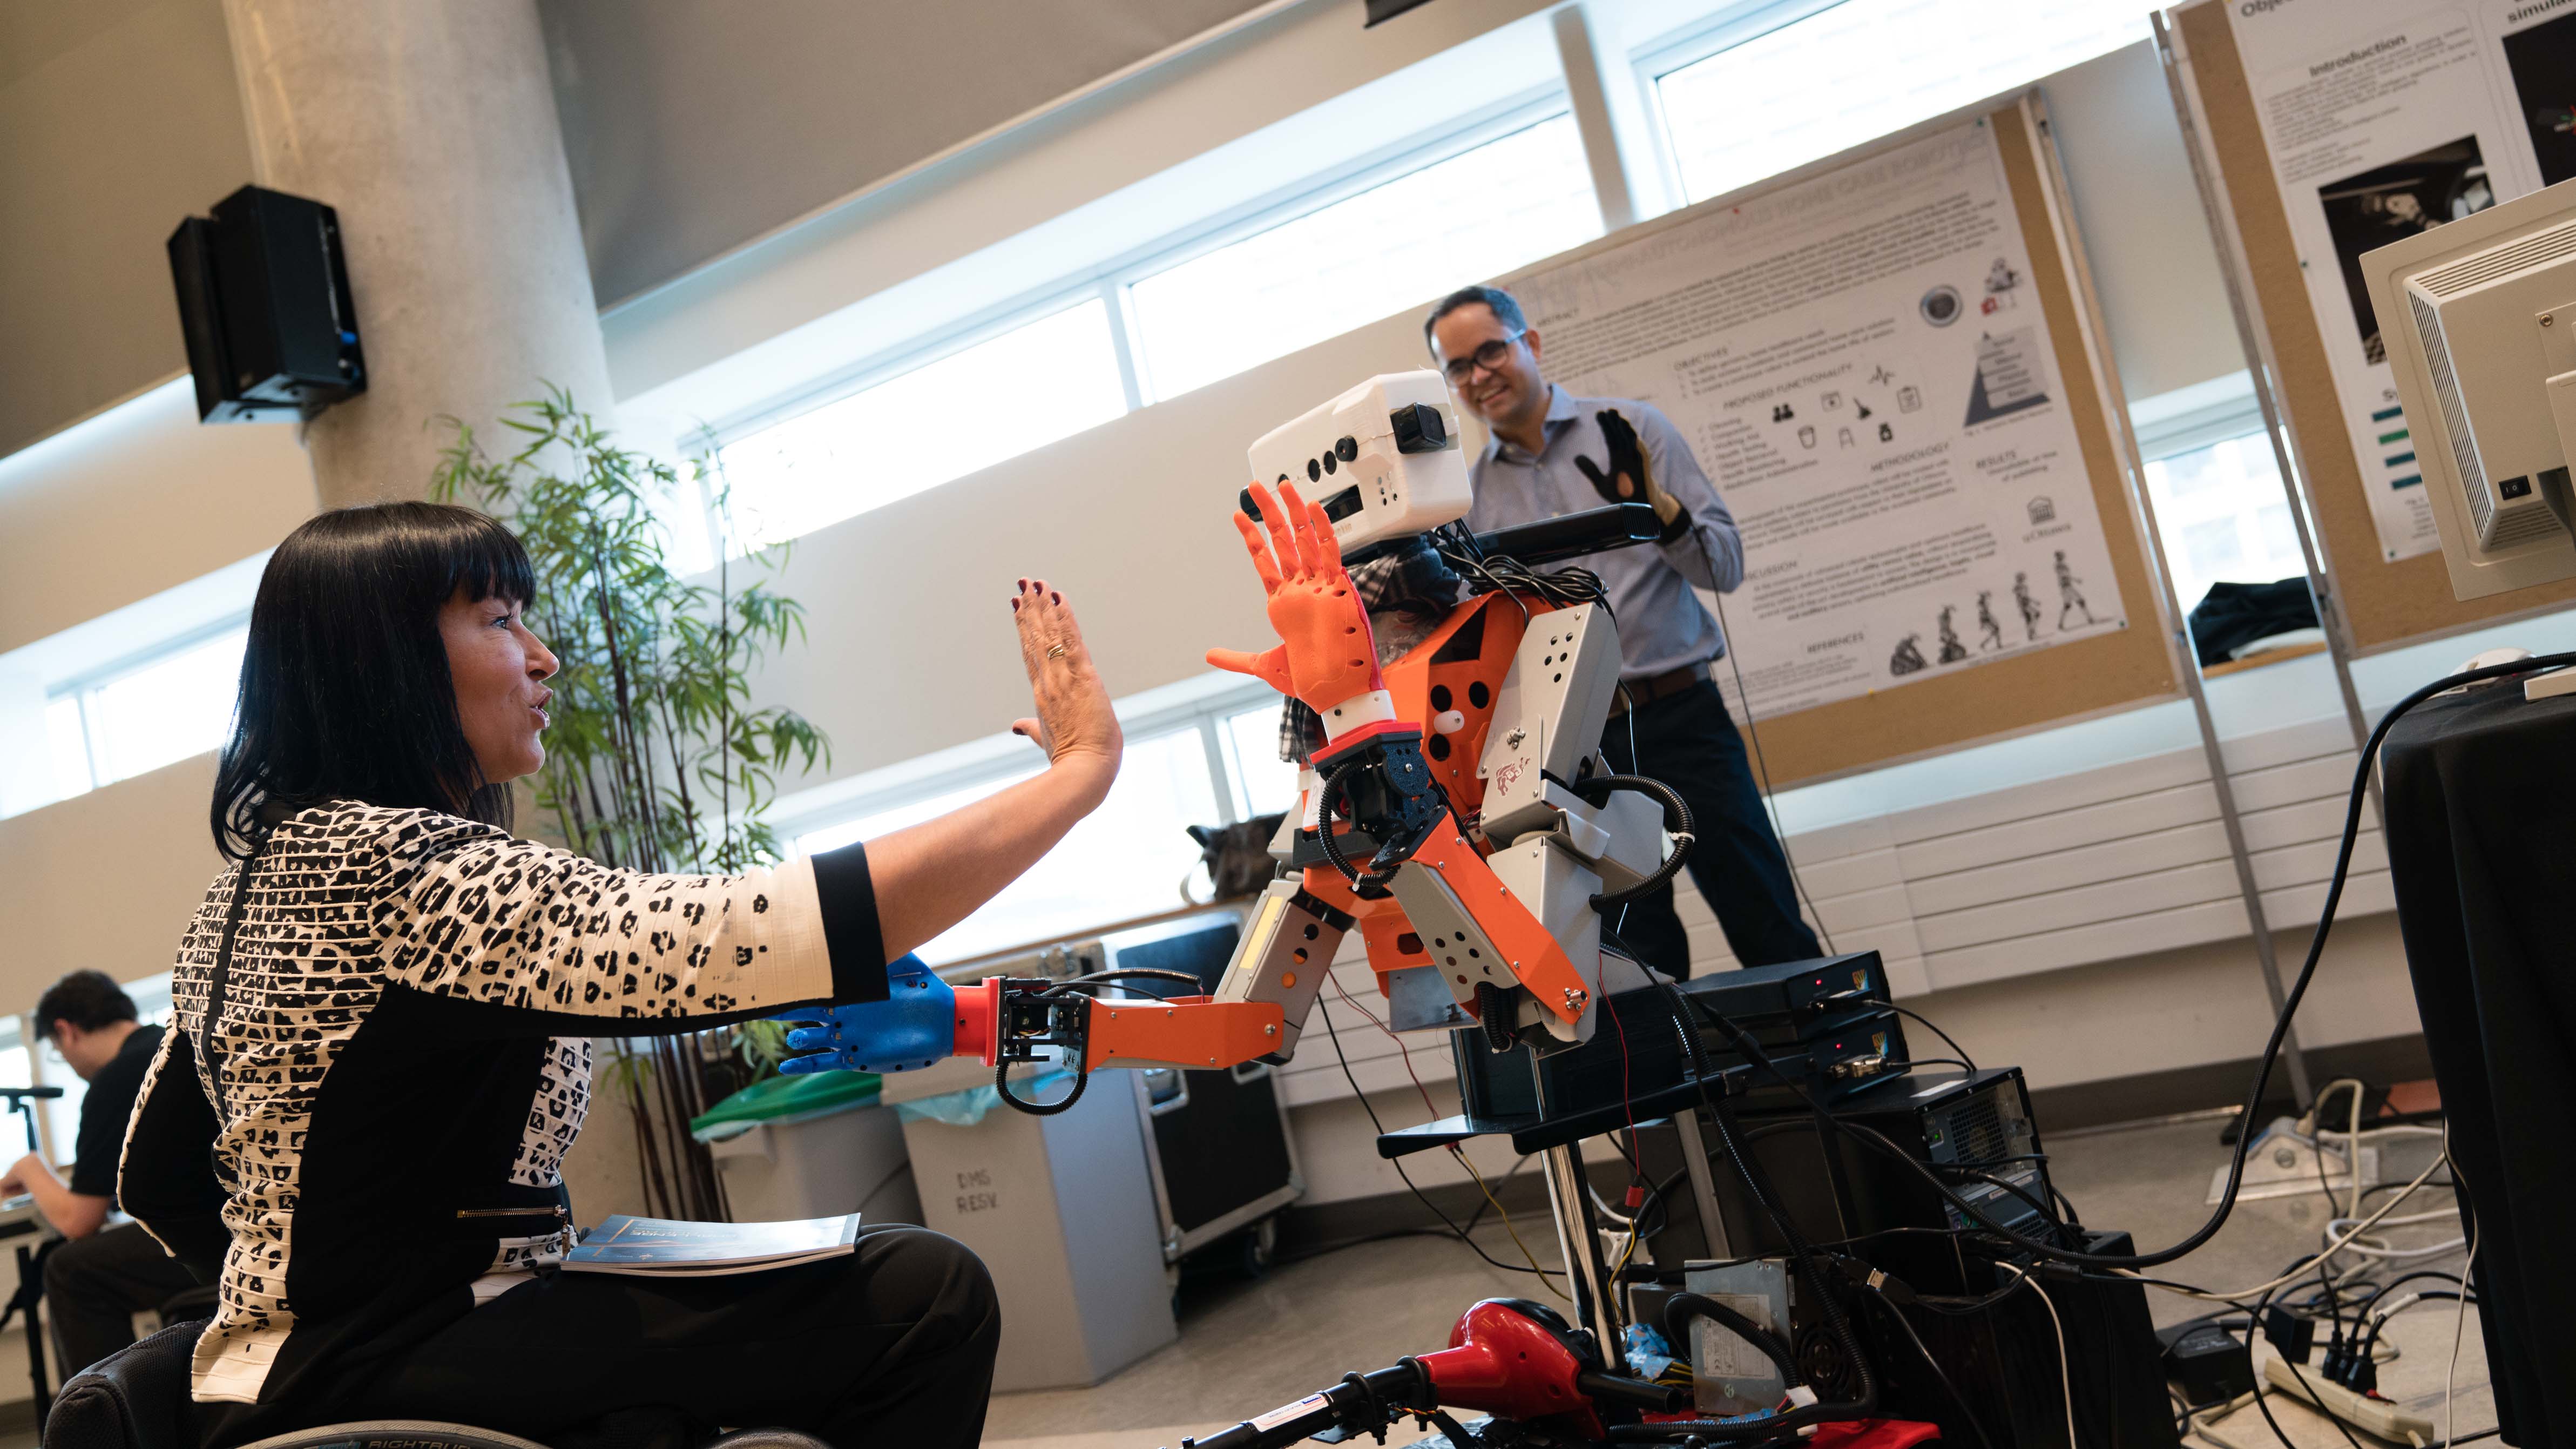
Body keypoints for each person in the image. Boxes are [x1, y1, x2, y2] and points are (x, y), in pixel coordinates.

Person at [116, 502, 1121, 1449]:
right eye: (502, 620)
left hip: (277, 1374)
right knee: (925, 1293)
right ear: (384, 661)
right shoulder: (405, 869)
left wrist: (302, 1284)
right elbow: (743, 936)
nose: (544, 656)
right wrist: (1076, 775)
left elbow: (154, 1171)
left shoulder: (250, 886)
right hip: (401, 1362)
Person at [1425, 285, 1821, 978]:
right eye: (1458, 367)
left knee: (1768, 922)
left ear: (1532, 343)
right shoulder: (1464, 502)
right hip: (1577, 750)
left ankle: (1839, 1074)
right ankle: (1696, 1088)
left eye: (1491, 350)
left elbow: (1723, 567)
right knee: (1640, 960)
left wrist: (1663, 517)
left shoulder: (1633, 430)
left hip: (1682, 716)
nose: (1478, 375)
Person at [0, 972, 202, 1377]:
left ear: (66, 1031)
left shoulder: (115, 1078)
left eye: (57, 1050)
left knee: (69, 1267)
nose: (69, 1064)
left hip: (207, 1243)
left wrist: (29, 1165)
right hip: (243, 1224)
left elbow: (80, 1221)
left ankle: (102, 1420)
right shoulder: (175, 1045)